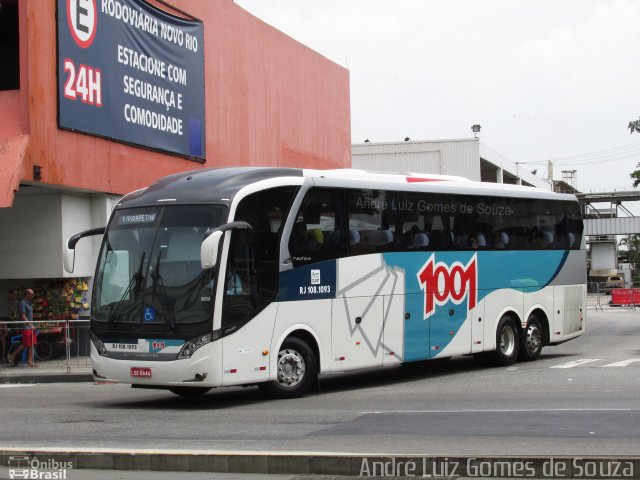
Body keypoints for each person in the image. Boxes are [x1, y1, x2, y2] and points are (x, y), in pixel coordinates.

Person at [7, 288, 38, 367]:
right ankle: (12, 355)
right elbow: (23, 315)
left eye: (33, 294)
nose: (33, 296)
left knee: (32, 343)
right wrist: (30, 324)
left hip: (30, 326)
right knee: (26, 343)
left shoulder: (29, 303)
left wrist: (32, 324)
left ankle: (30, 361)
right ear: (27, 294)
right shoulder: (22, 302)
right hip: (25, 327)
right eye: (31, 294)